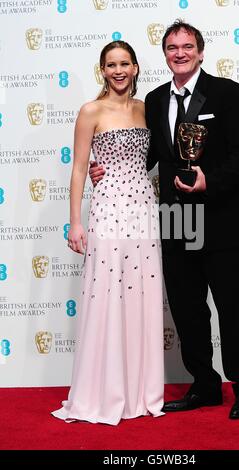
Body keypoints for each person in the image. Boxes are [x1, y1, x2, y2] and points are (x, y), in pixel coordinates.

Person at [89, 20, 239, 420]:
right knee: (187, 310)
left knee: (231, 306)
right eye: (172, 47)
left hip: (220, 217)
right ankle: (204, 385)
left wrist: (210, 180)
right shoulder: (153, 100)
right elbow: (151, 156)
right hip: (174, 218)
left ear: (201, 51)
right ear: (165, 53)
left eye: (187, 46)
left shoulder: (228, 93)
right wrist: (109, 169)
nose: (180, 53)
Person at [52, 40, 165, 426]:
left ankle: (140, 392)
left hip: (144, 211)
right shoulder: (90, 111)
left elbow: (156, 158)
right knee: (108, 294)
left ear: (135, 68)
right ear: (102, 70)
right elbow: (80, 169)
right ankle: (104, 390)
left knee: (142, 296)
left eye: (125, 64)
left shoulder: (147, 110)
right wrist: (75, 222)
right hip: (107, 211)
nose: (118, 71)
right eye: (111, 65)